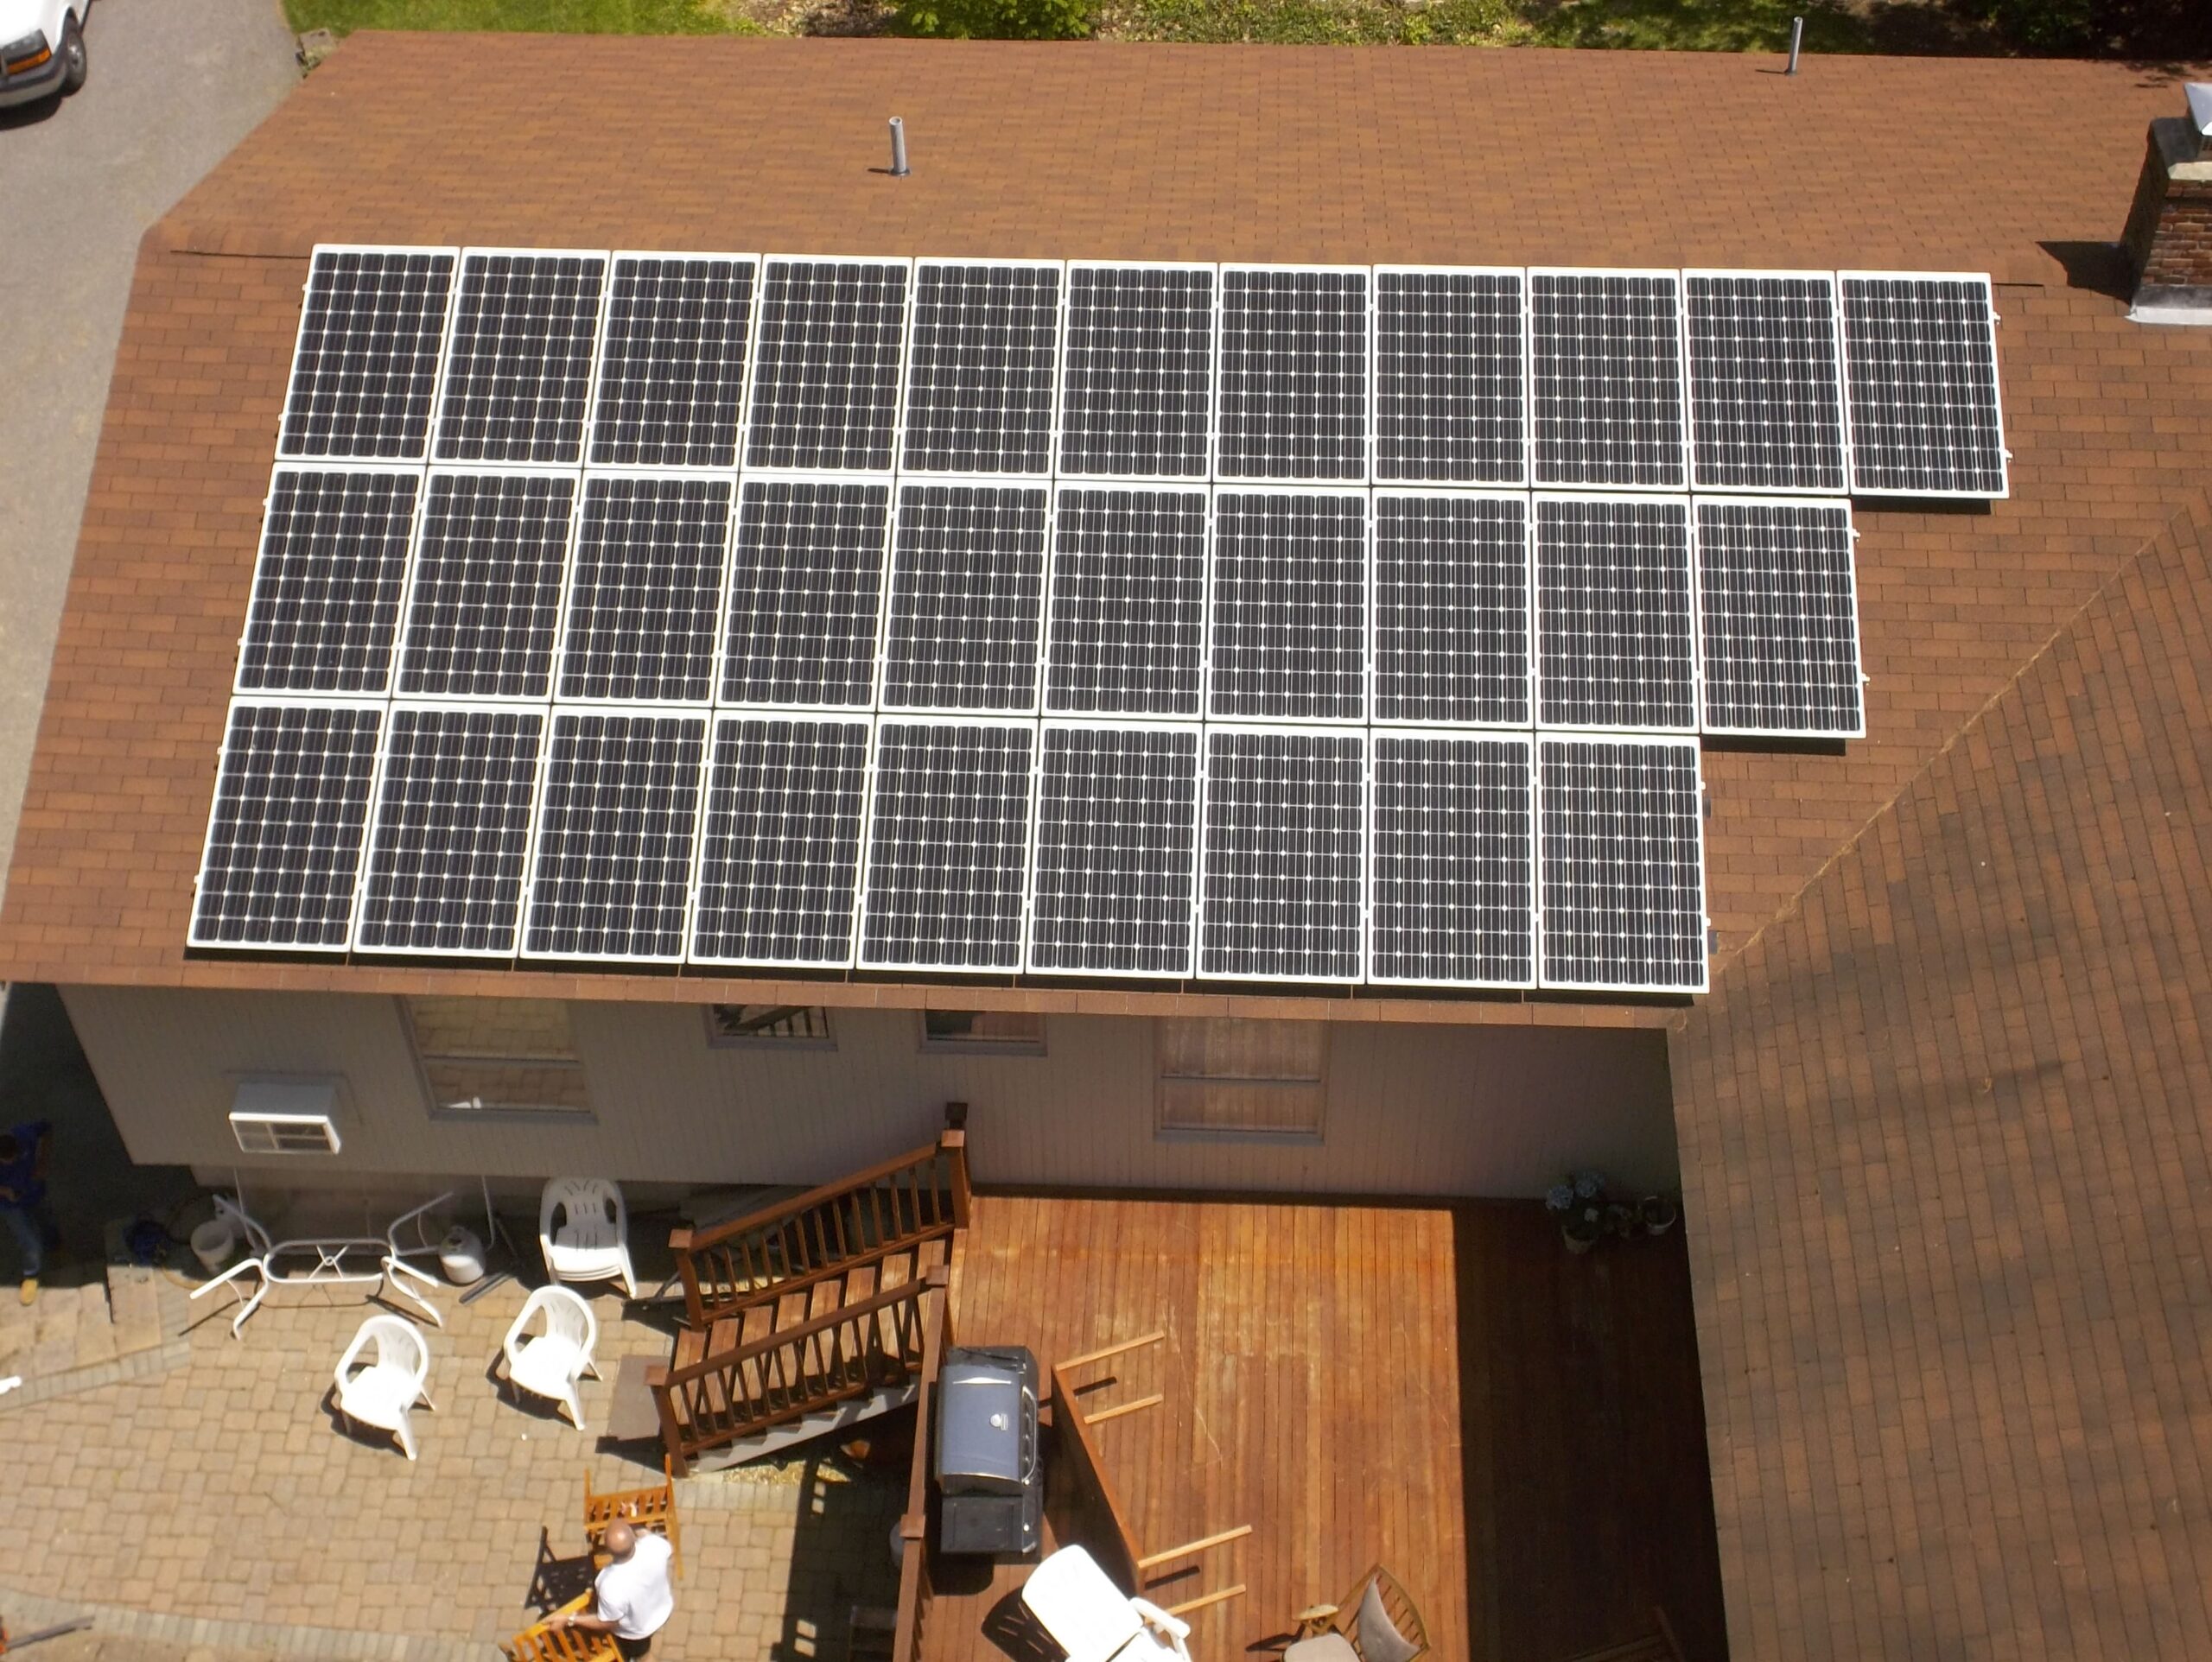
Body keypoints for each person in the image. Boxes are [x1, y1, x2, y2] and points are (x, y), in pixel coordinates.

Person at [550, 1519, 674, 1658]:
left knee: (642, 1657)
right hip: (663, 1610)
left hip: (638, 1632)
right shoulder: (654, 1545)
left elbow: (608, 1623)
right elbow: (647, 1535)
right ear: (633, 1537)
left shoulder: (610, 1584)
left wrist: (570, 1619)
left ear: (608, 1551)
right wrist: (631, 1520)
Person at [0, 1121, 52, 1307]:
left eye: (15, 1157)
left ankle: (56, 1247)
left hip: (34, 1193)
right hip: (10, 1205)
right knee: (30, 1242)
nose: (11, 1162)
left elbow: (47, 1128)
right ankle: (31, 1275)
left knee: (47, 1222)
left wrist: (43, 1160)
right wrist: (5, 1191)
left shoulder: (24, 1134)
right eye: (6, 1161)